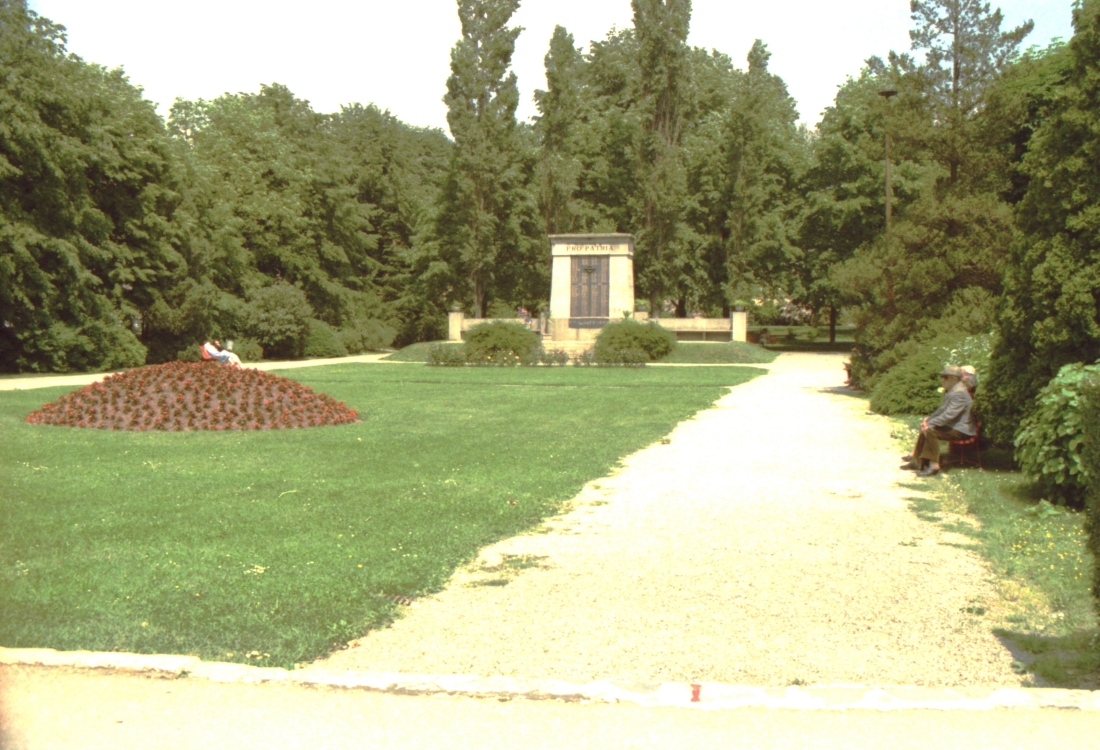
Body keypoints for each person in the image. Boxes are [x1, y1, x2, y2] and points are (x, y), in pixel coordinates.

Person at [901, 364, 974, 477]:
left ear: (954, 378)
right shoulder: (953, 390)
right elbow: (942, 409)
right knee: (927, 427)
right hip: (954, 426)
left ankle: (934, 466)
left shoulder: (959, 393)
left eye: (945, 377)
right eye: (942, 376)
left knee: (932, 431)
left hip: (962, 430)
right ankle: (917, 461)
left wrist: (930, 424)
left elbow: (949, 415)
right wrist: (928, 420)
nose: (942, 379)